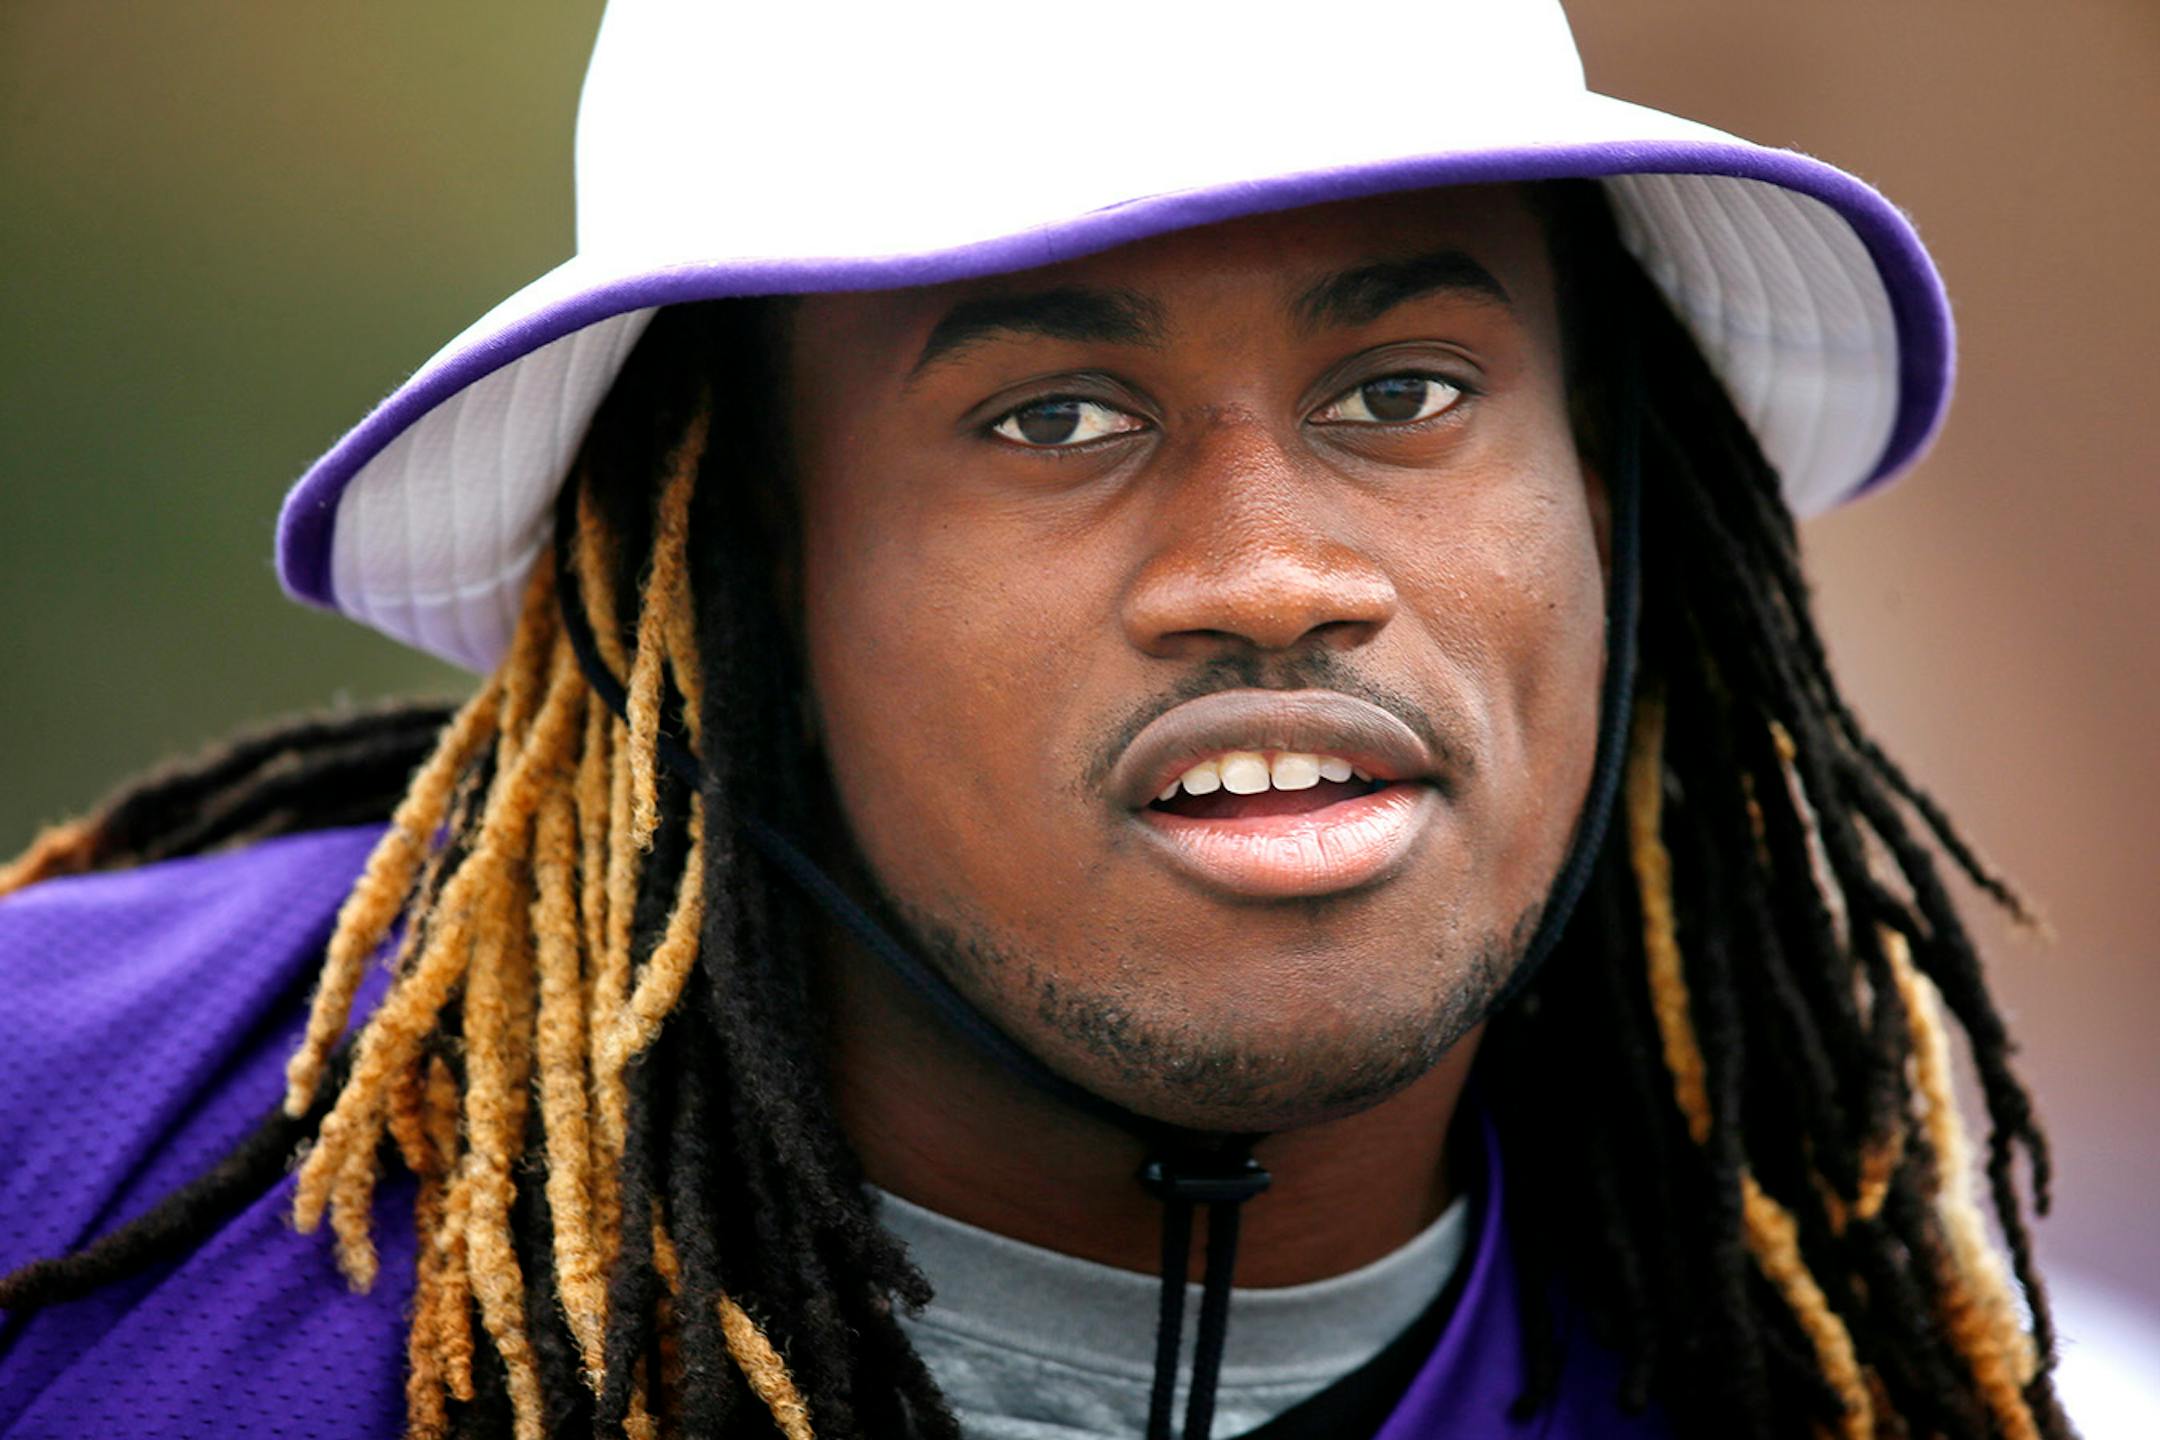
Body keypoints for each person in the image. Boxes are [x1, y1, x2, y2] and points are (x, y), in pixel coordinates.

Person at [0, 3, 2072, 1437]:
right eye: (1055, 418)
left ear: (1612, 507)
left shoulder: (1844, 1372)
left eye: (1405, 394)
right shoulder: (67, 1162)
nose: (1273, 574)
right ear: (730, 572)